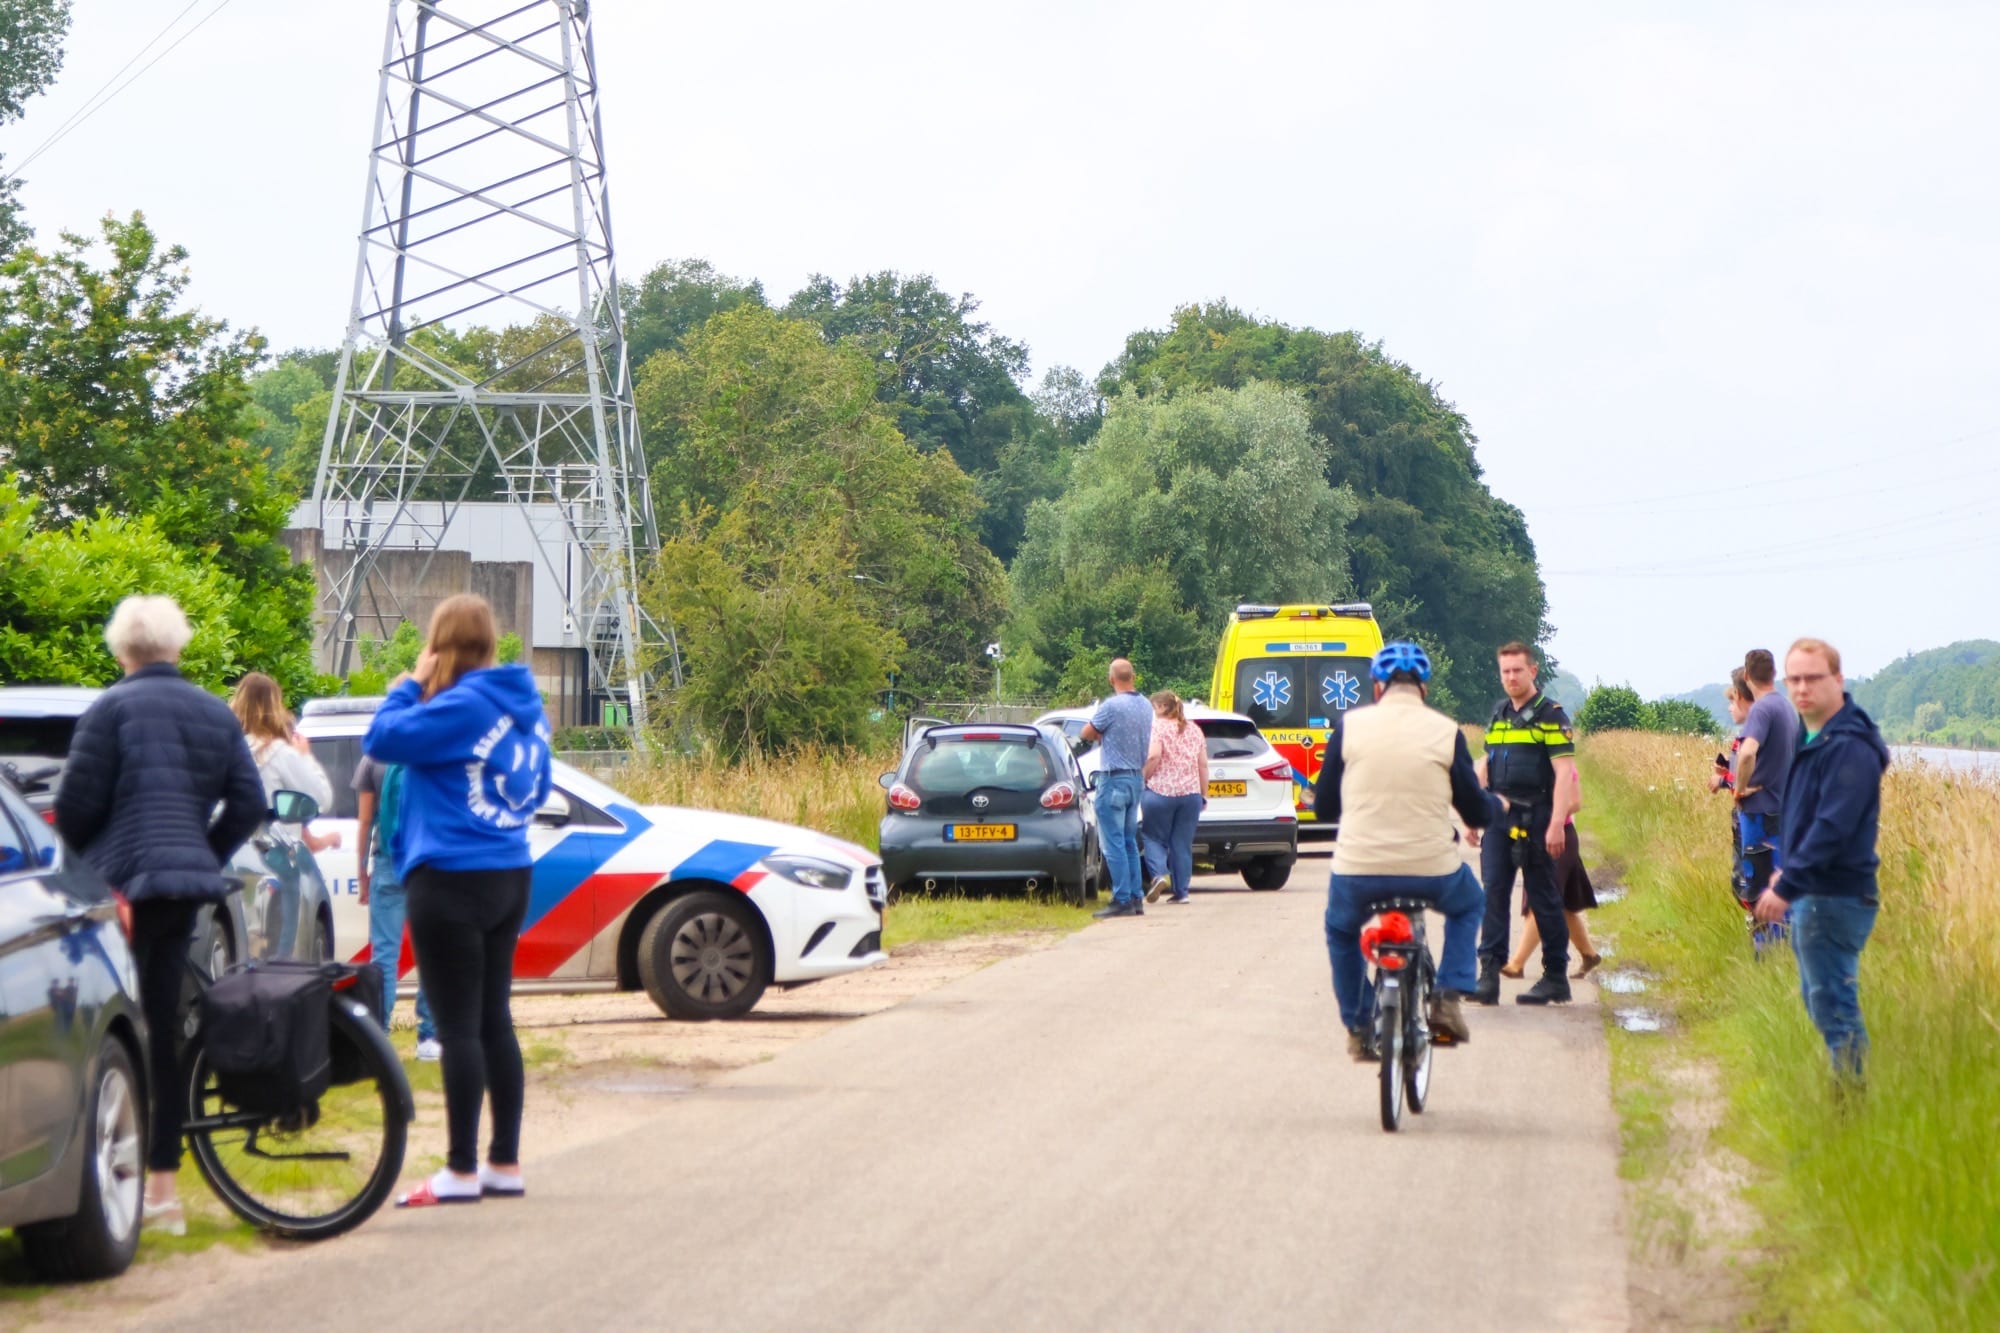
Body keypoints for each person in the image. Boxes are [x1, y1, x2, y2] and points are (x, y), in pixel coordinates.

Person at [55, 596, 268, 1237]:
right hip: (182, 890)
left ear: (123, 651)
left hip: (119, 893)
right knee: (167, 1026)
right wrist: (203, 853)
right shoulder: (212, 712)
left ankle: (124, 1176)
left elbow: (73, 809)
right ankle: (164, 1192)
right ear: (178, 648)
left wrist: (88, 868)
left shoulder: (108, 710)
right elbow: (249, 802)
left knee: (125, 1029)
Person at [366, 594, 551, 1207]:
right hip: (509, 869)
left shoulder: (461, 705)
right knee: (495, 1018)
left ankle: (460, 1169)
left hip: (448, 874)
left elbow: (383, 738)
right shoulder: (524, 709)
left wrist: (407, 683)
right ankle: (504, 1161)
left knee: (457, 1025)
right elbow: (539, 786)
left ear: (441, 644)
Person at [1316, 642, 1491, 1059]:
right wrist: (1496, 808)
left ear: (1378, 687)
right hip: (1432, 869)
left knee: (1341, 930)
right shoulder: (1447, 732)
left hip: (1359, 869)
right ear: (1424, 690)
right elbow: (1473, 807)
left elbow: (1325, 806)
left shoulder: (1349, 727)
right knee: (1469, 904)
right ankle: (1448, 996)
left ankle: (1358, 1026)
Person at [1753, 638, 1889, 1083]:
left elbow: (1833, 826)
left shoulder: (1848, 745)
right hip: (1818, 890)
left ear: (1837, 680)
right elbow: (1808, 817)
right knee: (1822, 998)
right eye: (1794, 679)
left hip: (1836, 895)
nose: (1802, 688)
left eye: (1813, 677)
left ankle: (1850, 1105)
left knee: (1833, 1002)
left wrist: (1787, 885)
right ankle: (1849, 1094)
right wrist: (1788, 867)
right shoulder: (1816, 736)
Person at [1474, 641, 1579, 1006]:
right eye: (1505, 671)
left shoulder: (1552, 715)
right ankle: (1488, 976)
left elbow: (1564, 774)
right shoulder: (1499, 714)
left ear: (1533, 671)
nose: (1511, 677)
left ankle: (1555, 978)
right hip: (1500, 820)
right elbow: (1486, 764)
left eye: (1518, 670)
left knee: (1545, 899)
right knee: (1493, 895)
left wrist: (1555, 825)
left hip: (1538, 819)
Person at [230, 673, 337, 958]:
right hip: (272, 854)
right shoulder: (277, 751)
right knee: (287, 936)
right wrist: (304, 756)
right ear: (273, 705)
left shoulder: (229, 748)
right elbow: (321, 799)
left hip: (228, 851)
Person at [353, 754, 439, 1058]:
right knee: (430, 952)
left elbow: (365, 823)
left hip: (388, 864)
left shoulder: (374, 759)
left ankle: (380, 1038)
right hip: (428, 865)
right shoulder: (433, 752)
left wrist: (362, 872)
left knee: (384, 957)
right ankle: (429, 1038)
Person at [1501, 765, 1603, 980]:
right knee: (1563, 906)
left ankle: (1516, 964)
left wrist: (1545, 814)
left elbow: (1575, 802)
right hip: (1534, 837)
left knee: (1541, 900)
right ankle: (1589, 955)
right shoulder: (1525, 762)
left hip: (1561, 839)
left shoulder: (1563, 766)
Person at [1734, 649, 1799, 941]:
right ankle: (1785, 949)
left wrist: (1739, 787)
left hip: (1759, 813)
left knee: (1757, 885)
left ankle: (1765, 952)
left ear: (1747, 677)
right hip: (1784, 811)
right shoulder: (1786, 708)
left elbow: (1747, 753)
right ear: (1773, 674)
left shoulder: (1761, 709)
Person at [1082, 658, 1153, 919]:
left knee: (1112, 843)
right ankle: (1136, 897)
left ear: (1112, 680)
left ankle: (1121, 898)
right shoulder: (1146, 705)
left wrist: (1103, 734)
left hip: (1114, 778)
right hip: (1136, 777)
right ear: (1133, 677)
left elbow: (1086, 732)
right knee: (1129, 841)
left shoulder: (1111, 706)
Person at [1140, 690, 1208, 906]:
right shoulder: (1194, 730)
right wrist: (1203, 794)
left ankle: (1159, 875)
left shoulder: (1156, 727)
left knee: (1153, 837)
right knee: (1181, 843)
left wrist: (1143, 778)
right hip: (1190, 795)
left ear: (1160, 708)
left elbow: (1153, 755)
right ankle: (1182, 892)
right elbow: (1203, 765)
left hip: (1160, 792)